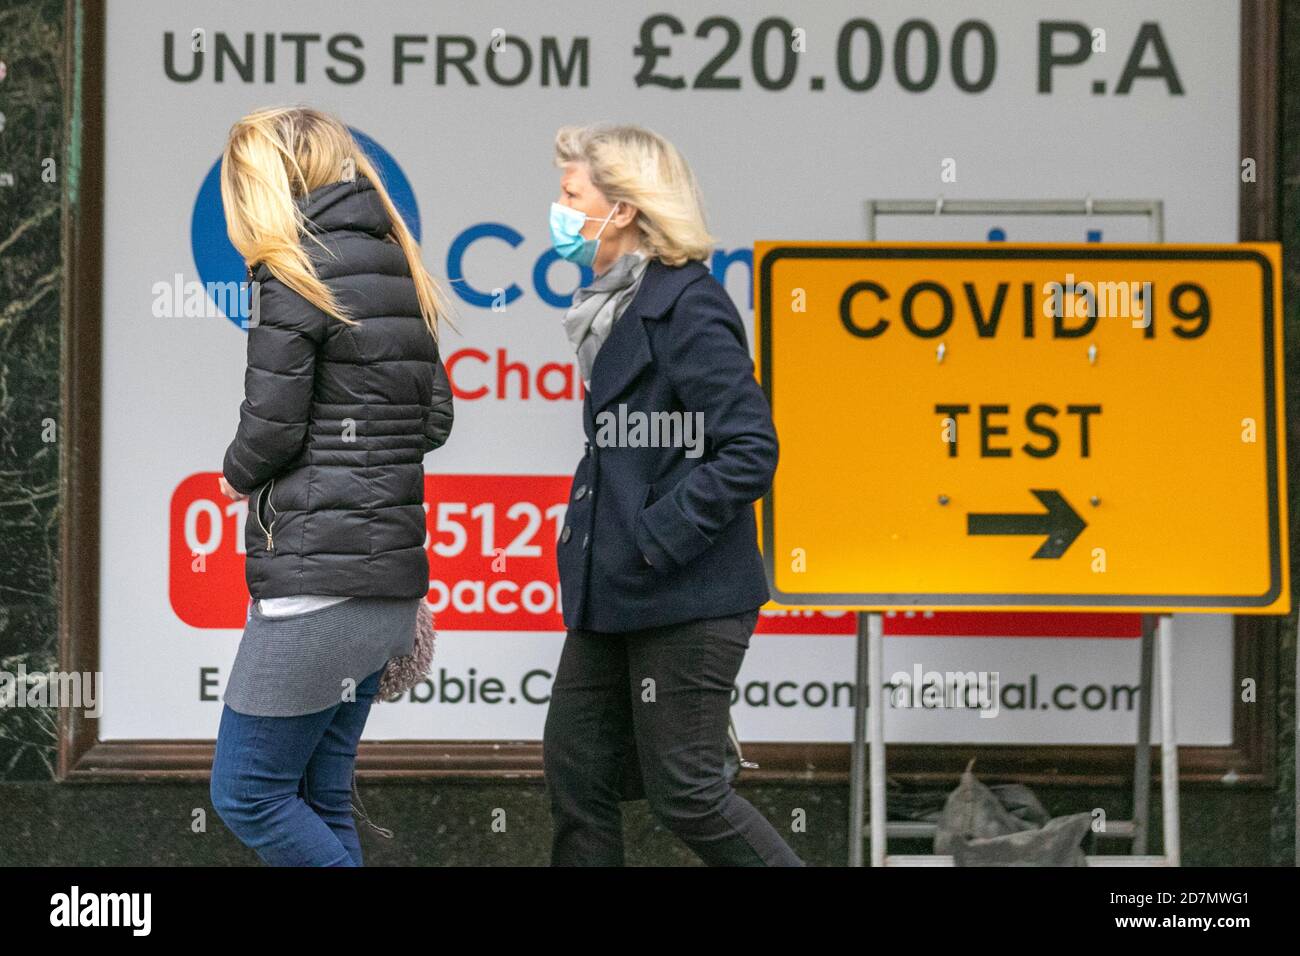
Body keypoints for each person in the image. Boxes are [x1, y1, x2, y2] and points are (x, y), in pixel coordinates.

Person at [542, 123, 803, 866]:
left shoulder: (689, 304)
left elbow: (751, 449)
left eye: (570, 193)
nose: (557, 209)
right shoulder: (615, 308)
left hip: (684, 594)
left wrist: (657, 536)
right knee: (576, 771)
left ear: (622, 208)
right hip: (612, 595)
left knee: (688, 792)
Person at [209, 106, 454, 866]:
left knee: (247, 790)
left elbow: (273, 427)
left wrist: (234, 475)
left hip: (316, 587)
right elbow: (435, 418)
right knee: (320, 794)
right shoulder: (393, 261)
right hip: (386, 596)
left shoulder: (293, 273)